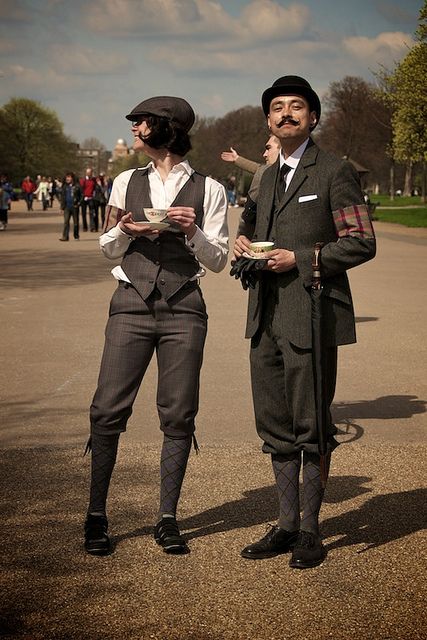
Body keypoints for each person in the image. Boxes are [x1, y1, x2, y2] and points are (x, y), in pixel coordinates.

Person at [233, 76, 376, 568]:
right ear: (268, 120)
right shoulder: (268, 176)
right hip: (265, 316)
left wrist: (301, 257)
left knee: (311, 424)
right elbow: (251, 227)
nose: (287, 114)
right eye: (278, 107)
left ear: (313, 118)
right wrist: (241, 244)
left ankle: (311, 531)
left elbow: (361, 241)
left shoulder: (335, 170)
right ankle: (286, 524)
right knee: (274, 424)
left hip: (313, 313)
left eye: (297, 107)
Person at [84, 95, 229, 557]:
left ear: (166, 128)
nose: (133, 129)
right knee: (107, 410)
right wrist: (128, 231)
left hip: (185, 305)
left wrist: (192, 232)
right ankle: (96, 514)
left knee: (179, 413)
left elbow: (221, 260)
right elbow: (106, 247)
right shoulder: (126, 182)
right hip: (130, 301)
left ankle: (167, 518)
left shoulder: (210, 190)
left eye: (141, 122)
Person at [59, 172, 82, 241]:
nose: (67, 179)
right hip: (67, 207)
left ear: (72, 178)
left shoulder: (77, 186)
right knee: (66, 222)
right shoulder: (64, 186)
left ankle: (76, 235)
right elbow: (62, 197)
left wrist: (78, 203)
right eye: (67, 177)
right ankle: (65, 236)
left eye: (69, 177)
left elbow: (82, 196)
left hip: (74, 207)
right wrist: (62, 208)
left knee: (75, 223)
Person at [79, 167, 96, 231]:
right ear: (86, 173)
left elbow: (94, 188)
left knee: (92, 213)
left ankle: (92, 227)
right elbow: (81, 189)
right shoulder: (83, 180)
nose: (89, 174)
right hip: (84, 198)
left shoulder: (93, 181)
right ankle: (85, 227)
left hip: (91, 198)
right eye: (88, 172)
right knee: (83, 213)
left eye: (90, 172)